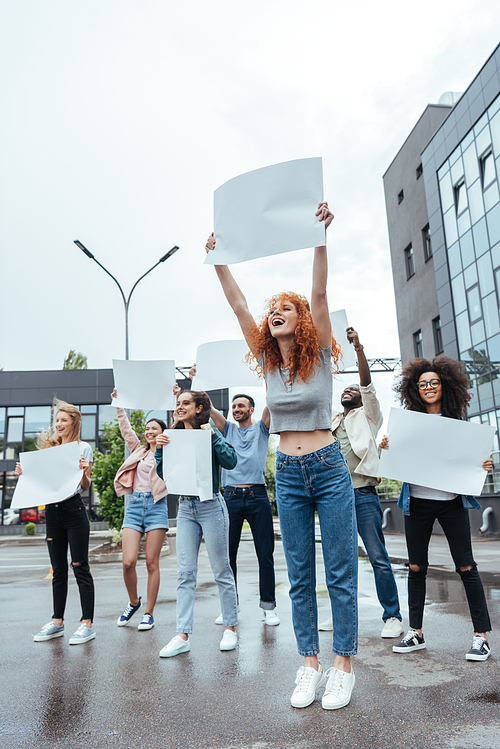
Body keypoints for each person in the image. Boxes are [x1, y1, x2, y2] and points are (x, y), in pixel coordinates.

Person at [206, 202, 358, 711]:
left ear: (303, 322)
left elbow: (319, 292)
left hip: (330, 468)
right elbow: (240, 307)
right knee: (298, 574)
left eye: (286, 309)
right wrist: (219, 260)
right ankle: (309, 663)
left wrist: (319, 235)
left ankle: (343, 666)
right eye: (275, 310)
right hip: (288, 475)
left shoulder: (318, 356)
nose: (277, 312)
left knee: (338, 570)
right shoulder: (269, 364)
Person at [380, 356, 493, 661]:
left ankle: (481, 637)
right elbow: (395, 459)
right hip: (417, 503)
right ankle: (415, 632)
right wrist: (388, 447)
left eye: (434, 382)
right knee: (416, 567)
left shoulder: (458, 425)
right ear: (414, 389)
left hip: (452, 504)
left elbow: (472, 462)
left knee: (466, 566)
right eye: (422, 383)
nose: (428, 387)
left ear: (445, 385)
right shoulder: (408, 426)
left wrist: (484, 465)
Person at [319, 327, 403, 638]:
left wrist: (358, 349)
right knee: (339, 561)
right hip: (334, 498)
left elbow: (367, 385)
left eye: (353, 390)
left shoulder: (368, 417)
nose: (349, 390)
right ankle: (341, 616)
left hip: (363, 494)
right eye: (346, 389)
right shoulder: (331, 421)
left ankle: (392, 616)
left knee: (378, 556)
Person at [155, 389, 239, 657]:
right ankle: (182, 634)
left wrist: (213, 435)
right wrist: (159, 450)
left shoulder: (209, 431)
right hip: (186, 507)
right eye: (178, 404)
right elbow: (163, 472)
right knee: (185, 573)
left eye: (185, 403)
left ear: (199, 407)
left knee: (221, 570)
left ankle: (230, 628)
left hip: (211, 504)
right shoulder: (172, 435)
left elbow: (231, 461)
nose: (180, 407)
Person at [15, 400, 95, 645]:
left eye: (63, 420)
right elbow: (40, 483)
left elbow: (85, 486)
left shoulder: (83, 448)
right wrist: (23, 474)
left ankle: (87, 624)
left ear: (74, 422)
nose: (58, 424)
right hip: (53, 513)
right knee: (58, 569)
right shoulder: (49, 449)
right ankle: (57, 622)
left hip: (73, 510)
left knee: (79, 566)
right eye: (56, 420)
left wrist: (83, 471)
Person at [209, 391, 279, 626]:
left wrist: (271, 376)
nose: (237, 409)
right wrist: (197, 383)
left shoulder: (261, 429)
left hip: (257, 495)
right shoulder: (227, 429)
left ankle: (268, 607)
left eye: (242, 406)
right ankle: (231, 609)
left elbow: (272, 400)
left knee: (265, 553)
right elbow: (207, 407)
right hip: (230, 497)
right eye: (234, 406)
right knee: (228, 556)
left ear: (251, 409)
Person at [111, 388, 169, 631]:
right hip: (135, 506)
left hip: (157, 507)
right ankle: (134, 601)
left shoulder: (168, 452)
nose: (148, 431)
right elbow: (126, 430)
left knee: (152, 562)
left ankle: (149, 613)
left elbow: (178, 425)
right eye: (147, 428)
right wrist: (119, 406)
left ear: (163, 432)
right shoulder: (139, 450)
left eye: (153, 428)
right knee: (128, 562)